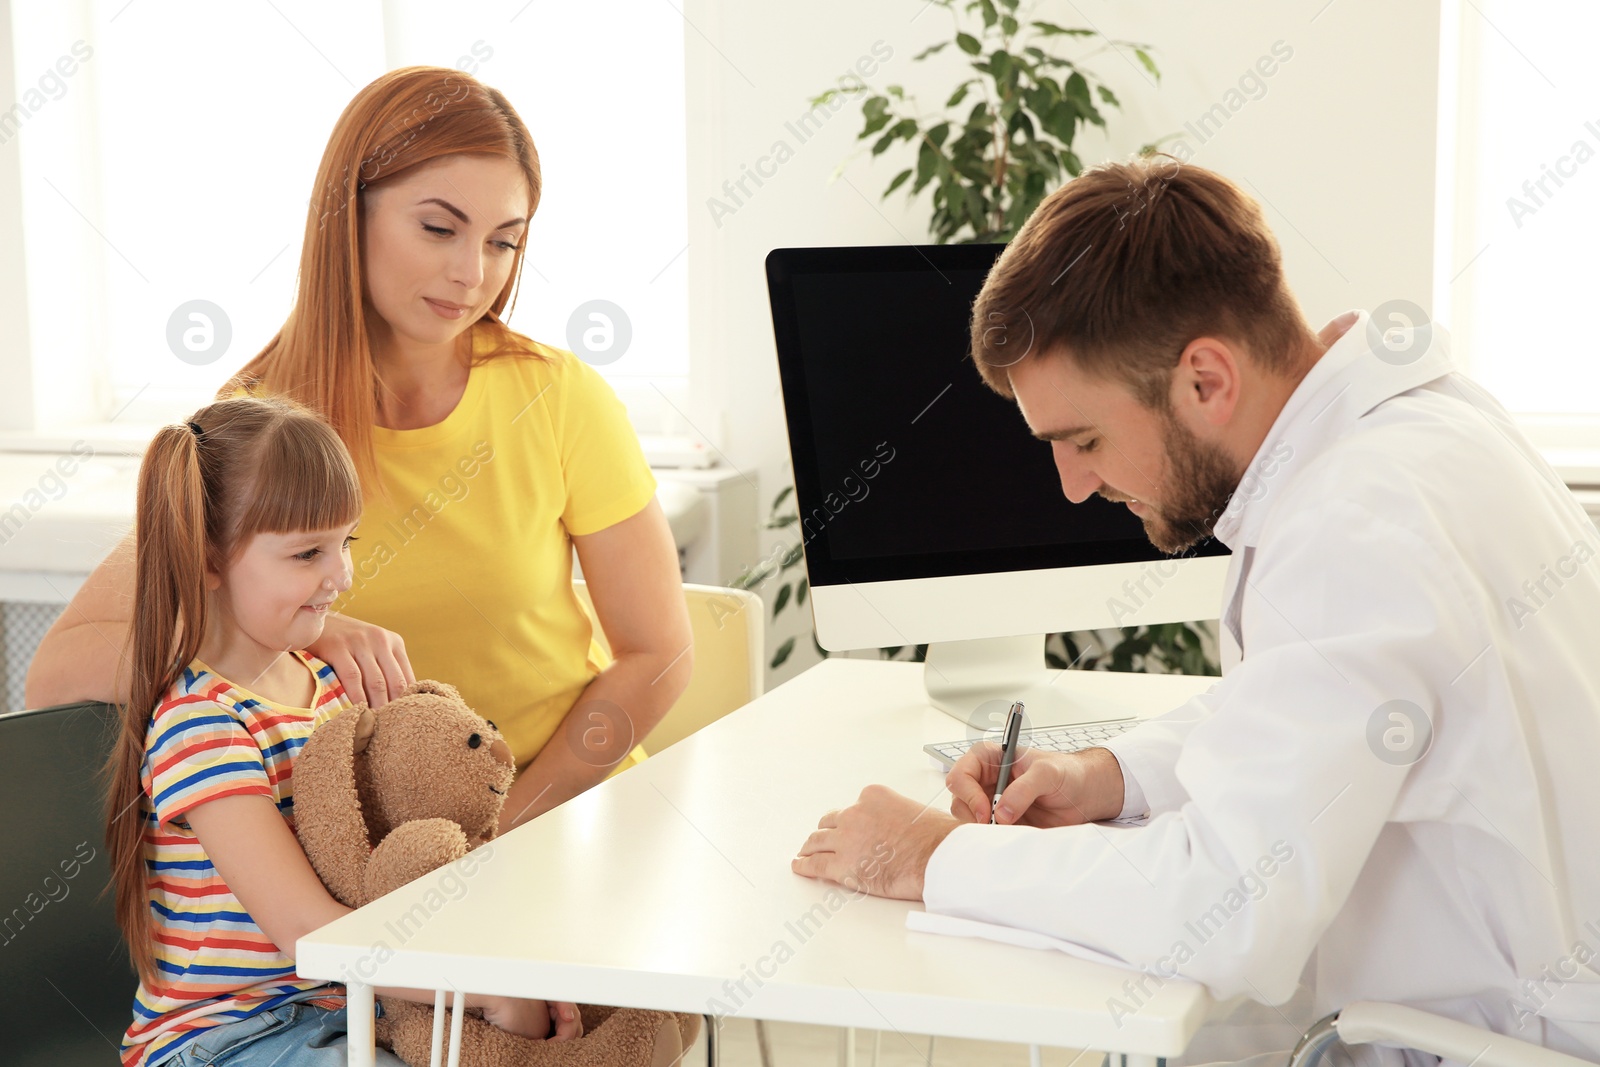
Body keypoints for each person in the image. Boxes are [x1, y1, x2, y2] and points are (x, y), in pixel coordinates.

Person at [791, 156, 1600, 1066]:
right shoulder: (1410, 432)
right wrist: (1112, 776)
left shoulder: (1356, 521)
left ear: (1204, 379)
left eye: (1084, 438)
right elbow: (1308, 702)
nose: (1073, 485)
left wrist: (932, 855)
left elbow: (1232, 907)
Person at [28, 66, 692, 833]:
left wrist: (507, 829)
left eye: (503, 242)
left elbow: (659, 653)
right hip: (366, 864)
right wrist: (305, 625)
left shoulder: (557, 394)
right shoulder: (258, 427)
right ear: (350, 214)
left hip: (559, 821)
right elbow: (61, 668)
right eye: (439, 229)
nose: (472, 273)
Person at [109, 396, 648, 1067]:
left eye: (346, 543)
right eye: (308, 553)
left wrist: (512, 970)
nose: (341, 575)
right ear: (208, 559)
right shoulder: (201, 723)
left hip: (357, 1007)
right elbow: (305, 929)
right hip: (229, 1035)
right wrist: (479, 991)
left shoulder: (330, 687)